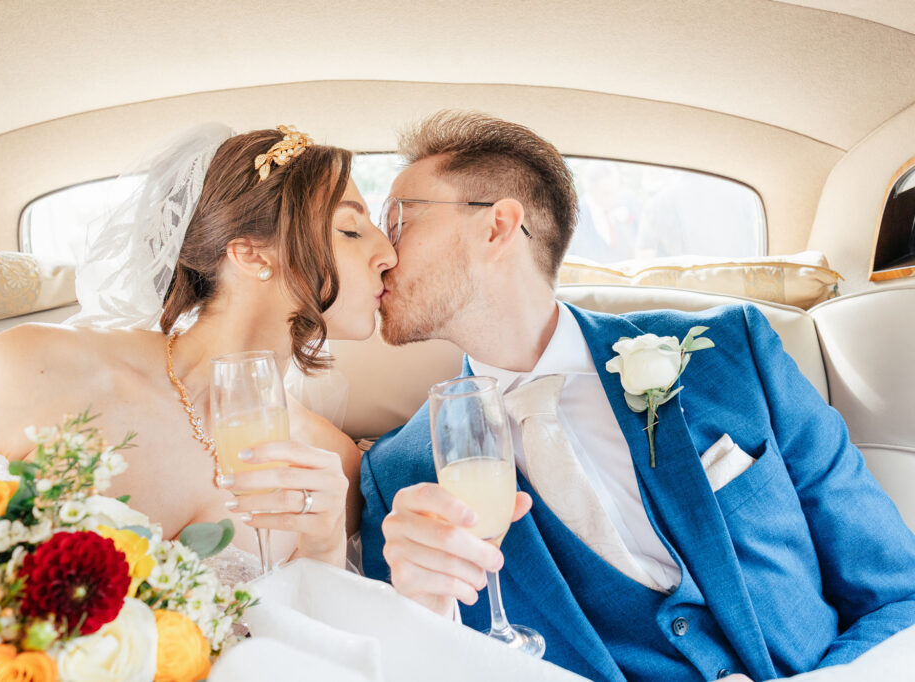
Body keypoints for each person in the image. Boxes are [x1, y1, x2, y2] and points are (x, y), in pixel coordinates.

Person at [359, 110, 915, 681]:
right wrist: (426, 614)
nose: (379, 252)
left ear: (497, 226)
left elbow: (899, 596)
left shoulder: (730, 352)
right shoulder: (397, 477)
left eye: (399, 220)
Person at [0, 124, 397, 580]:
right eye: (350, 230)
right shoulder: (31, 367)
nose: (388, 254)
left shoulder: (332, 463)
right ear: (250, 253)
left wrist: (324, 549)